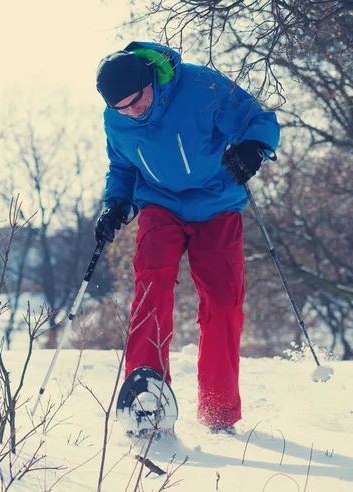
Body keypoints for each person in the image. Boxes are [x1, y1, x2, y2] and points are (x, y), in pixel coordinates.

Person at [95, 41, 280, 433]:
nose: (133, 112)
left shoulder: (199, 85)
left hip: (217, 201)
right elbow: (122, 166)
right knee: (151, 287)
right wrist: (115, 205)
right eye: (122, 107)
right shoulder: (117, 120)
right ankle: (147, 397)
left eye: (137, 101)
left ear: (151, 81)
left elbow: (257, 118)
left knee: (223, 302)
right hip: (159, 204)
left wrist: (253, 148)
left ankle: (218, 410)